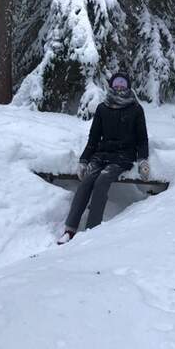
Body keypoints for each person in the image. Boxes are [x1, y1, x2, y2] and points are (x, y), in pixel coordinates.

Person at [57, 71, 150, 244]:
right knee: (86, 182)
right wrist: (84, 160)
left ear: (128, 86)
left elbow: (142, 139)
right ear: (111, 86)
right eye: (117, 83)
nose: (120, 86)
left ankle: (92, 231)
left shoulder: (136, 109)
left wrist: (143, 160)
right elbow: (93, 138)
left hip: (123, 157)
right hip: (101, 155)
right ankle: (69, 230)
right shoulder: (102, 108)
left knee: (101, 182)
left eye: (123, 83)